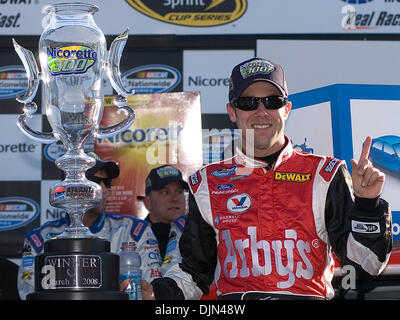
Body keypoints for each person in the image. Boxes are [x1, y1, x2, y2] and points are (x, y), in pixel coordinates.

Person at [144, 57, 392, 300]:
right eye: (249, 102)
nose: (261, 111)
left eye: (272, 101)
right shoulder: (207, 183)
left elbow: (365, 267)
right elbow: (193, 272)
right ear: (232, 112)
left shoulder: (325, 174)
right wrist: (158, 293)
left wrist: (368, 206)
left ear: (286, 109)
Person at [17, 153, 162, 300]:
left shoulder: (134, 231)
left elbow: (149, 289)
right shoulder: (39, 240)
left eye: (107, 182)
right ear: (69, 188)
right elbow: (28, 293)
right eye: (94, 181)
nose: (104, 190)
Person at [137, 165, 188, 277]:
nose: (174, 198)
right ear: (147, 202)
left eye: (179, 192)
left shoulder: (197, 232)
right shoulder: (135, 237)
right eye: (165, 192)